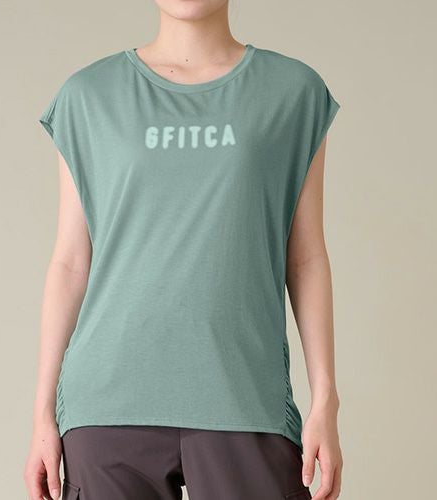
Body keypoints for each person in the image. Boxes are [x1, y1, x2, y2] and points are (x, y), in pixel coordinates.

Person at [24, 1, 343, 499]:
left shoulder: (292, 91)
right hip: (107, 403)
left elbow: (305, 257)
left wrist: (325, 399)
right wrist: (43, 412)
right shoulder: (88, 95)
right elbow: (70, 262)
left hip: (243, 395)